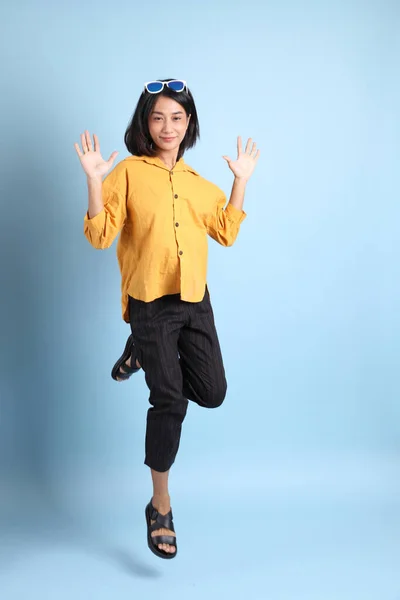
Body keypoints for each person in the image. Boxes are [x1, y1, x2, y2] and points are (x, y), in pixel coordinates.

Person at [74, 78, 259, 560]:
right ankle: (160, 505)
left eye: (177, 117)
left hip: (194, 299)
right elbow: (99, 235)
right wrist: (95, 181)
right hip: (150, 304)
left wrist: (240, 180)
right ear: (145, 123)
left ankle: (138, 351)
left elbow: (225, 231)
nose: (168, 126)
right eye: (158, 117)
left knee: (213, 393)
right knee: (170, 399)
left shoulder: (199, 183)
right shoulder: (130, 174)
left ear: (189, 123)